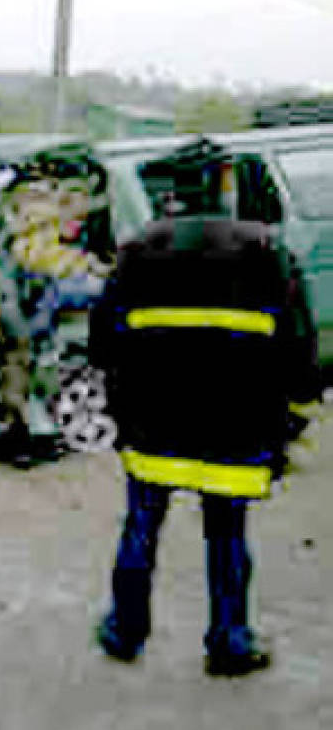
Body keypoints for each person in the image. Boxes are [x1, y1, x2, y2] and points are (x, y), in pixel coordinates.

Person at [90, 216, 321, 676]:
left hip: (153, 425)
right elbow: (298, 344)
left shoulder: (139, 251)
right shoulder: (264, 253)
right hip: (235, 427)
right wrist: (294, 409)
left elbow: (101, 344)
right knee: (228, 535)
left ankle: (124, 632)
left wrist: (124, 400)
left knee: (142, 526)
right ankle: (229, 643)